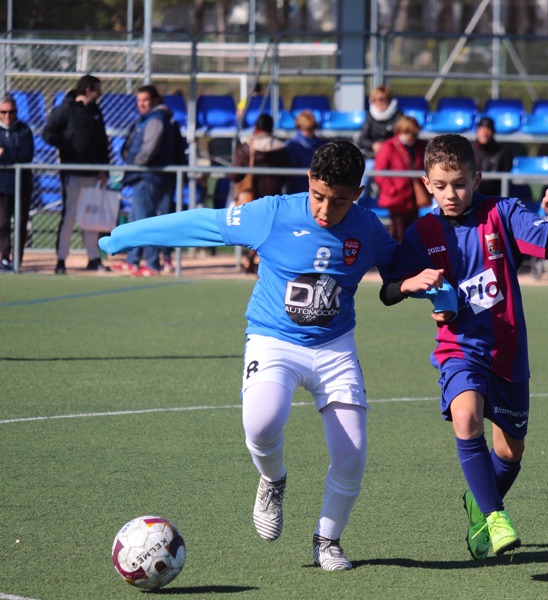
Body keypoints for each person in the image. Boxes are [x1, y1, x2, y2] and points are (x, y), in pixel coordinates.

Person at [99, 140, 429, 572]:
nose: (326, 210)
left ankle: (327, 541)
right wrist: (126, 235)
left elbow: (398, 274)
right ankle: (273, 479)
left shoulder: (368, 228)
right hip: (274, 340)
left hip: (334, 348)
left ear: (359, 193)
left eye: (340, 201)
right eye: (319, 196)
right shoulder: (272, 213)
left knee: (352, 455)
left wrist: (434, 287)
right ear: (308, 181)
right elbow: (204, 223)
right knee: (261, 422)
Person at [381, 133, 548, 561]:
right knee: (465, 418)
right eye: (442, 185)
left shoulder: (502, 213)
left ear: (477, 178)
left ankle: (476, 503)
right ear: (427, 183)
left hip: (508, 350)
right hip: (459, 348)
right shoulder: (422, 232)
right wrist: (411, 284)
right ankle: (496, 515)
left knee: (510, 451)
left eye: (461, 184)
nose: (452, 194)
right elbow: (388, 291)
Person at [108, 85, 181, 277]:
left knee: (144, 222)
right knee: (136, 220)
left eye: (145, 101)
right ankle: (133, 261)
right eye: (139, 101)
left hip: (148, 177)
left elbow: (149, 150)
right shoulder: (147, 119)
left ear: (155, 100)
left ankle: (152, 264)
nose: (141, 104)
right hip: (143, 177)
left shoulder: (156, 120)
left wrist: (136, 164)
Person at [42, 73, 110, 274]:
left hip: (92, 173)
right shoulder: (66, 109)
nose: (100, 93)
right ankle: (61, 260)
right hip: (72, 173)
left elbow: (102, 142)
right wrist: (67, 145)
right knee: (69, 217)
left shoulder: (95, 111)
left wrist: (104, 169)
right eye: (97, 89)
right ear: (88, 90)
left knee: (90, 218)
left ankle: (93, 258)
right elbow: (48, 133)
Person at [231, 113, 291, 273]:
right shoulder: (281, 148)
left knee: (255, 230)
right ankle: (253, 259)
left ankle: (249, 259)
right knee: (269, 230)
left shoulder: (246, 148)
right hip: (273, 198)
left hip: (250, 197)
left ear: (257, 127)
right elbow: (287, 174)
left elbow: (234, 175)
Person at [373, 115, 427, 242]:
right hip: (397, 199)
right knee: (398, 234)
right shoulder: (389, 147)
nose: (411, 137)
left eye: (414, 134)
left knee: (413, 233)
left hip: (413, 198)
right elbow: (380, 172)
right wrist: (392, 190)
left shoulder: (419, 147)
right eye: (408, 133)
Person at [0, 95, 34, 273]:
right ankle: (4, 259)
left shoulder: (24, 131)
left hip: (22, 184)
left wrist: (4, 154)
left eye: (11, 112)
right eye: (3, 112)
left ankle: (17, 260)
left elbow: (25, 156)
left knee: (21, 224)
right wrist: (12, 155)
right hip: (2, 186)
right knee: (3, 223)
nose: (7, 116)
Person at [285, 110, 326, 194]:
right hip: (296, 192)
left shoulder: (322, 145)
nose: (311, 132)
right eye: (307, 129)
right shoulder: (291, 146)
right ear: (299, 127)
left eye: (313, 128)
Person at [472, 116, 513, 197]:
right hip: (472, 194)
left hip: (494, 196)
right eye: (481, 129)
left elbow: (506, 182)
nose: (484, 133)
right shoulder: (469, 149)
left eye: (488, 129)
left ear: (493, 132)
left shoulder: (503, 153)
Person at [357, 85, 400, 157]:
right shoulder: (369, 116)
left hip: (393, 154)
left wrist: (386, 146)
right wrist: (373, 145)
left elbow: (401, 137)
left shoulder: (398, 116)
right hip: (373, 154)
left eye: (381, 99)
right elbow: (362, 139)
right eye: (374, 99)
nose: (378, 102)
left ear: (388, 99)